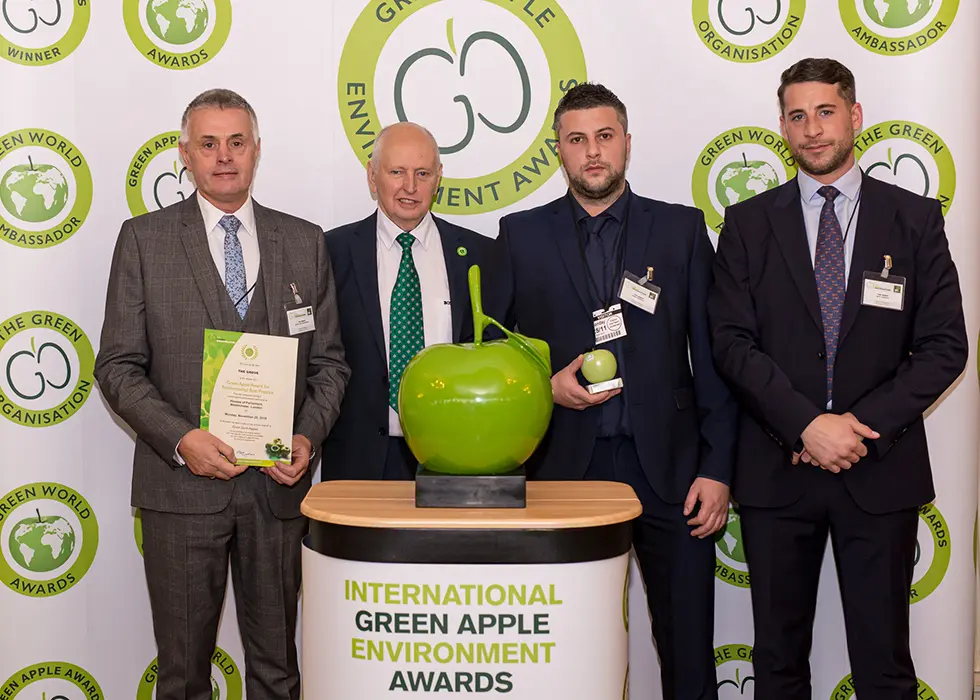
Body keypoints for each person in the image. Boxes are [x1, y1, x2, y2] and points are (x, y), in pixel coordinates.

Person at [707, 58, 967, 700]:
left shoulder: (914, 219)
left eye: (825, 112)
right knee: (778, 666)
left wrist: (855, 432)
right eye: (797, 116)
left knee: (884, 667)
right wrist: (804, 424)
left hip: (879, 471)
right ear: (782, 127)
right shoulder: (746, 225)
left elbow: (944, 346)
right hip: (777, 471)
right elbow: (731, 344)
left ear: (854, 116)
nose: (812, 129)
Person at [94, 88, 350, 700]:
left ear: (256, 151)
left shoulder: (304, 241)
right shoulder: (143, 240)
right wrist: (181, 439)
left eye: (237, 142)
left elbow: (331, 365)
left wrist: (307, 437)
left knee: (277, 671)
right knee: (182, 676)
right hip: (179, 491)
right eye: (208, 144)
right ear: (185, 154)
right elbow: (118, 366)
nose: (224, 156)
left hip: (275, 493)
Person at [487, 83, 737, 700]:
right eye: (576, 140)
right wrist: (545, 388)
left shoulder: (681, 230)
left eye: (604, 137)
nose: (592, 152)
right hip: (562, 472)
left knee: (687, 654)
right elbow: (491, 351)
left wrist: (717, 467)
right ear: (558, 151)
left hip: (673, 473)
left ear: (626, 142)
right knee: (560, 653)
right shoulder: (519, 234)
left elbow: (714, 359)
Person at [322, 122, 492, 480]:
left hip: (455, 458)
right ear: (372, 177)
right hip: (358, 463)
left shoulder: (481, 256)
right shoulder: (329, 253)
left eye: (423, 173)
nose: (410, 187)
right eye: (396, 172)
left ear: (439, 178)